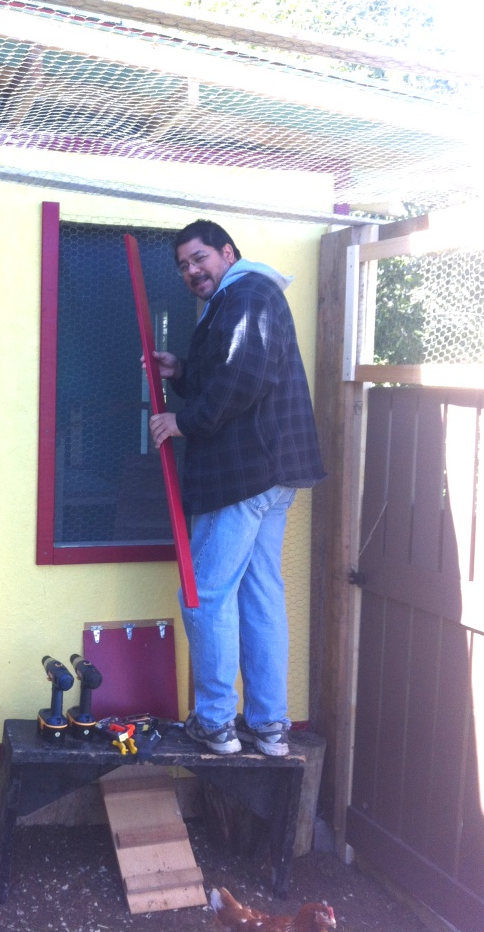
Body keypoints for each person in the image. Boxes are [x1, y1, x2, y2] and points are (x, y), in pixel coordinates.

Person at [148, 219, 325, 756]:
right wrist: (180, 370)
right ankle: (270, 726)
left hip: (245, 475)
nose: (191, 271)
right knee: (259, 590)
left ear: (227, 252)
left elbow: (243, 378)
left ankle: (216, 722)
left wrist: (184, 421)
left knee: (205, 593)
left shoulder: (247, 293)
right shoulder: (238, 299)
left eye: (199, 257)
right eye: (182, 265)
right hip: (272, 475)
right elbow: (232, 369)